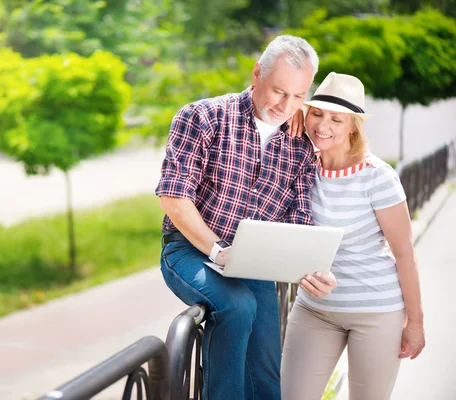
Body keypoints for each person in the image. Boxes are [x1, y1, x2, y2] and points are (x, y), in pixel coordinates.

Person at [155, 35, 336, 400]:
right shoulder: (202, 116)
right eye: (278, 91)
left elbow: (300, 220)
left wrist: (314, 268)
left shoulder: (300, 146)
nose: (286, 106)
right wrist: (218, 250)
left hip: (255, 264)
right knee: (238, 307)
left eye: (298, 96)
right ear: (257, 73)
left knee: (266, 372)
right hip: (190, 251)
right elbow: (174, 197)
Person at [281, 72, 426, 400]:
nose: (323, 125)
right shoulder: (301, 164)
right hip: (314, 309)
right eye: (316, 113)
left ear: (353, 126)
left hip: (376, 310)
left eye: (336, 119)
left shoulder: (378, 178)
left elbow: (404, 253)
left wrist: (415, 322)